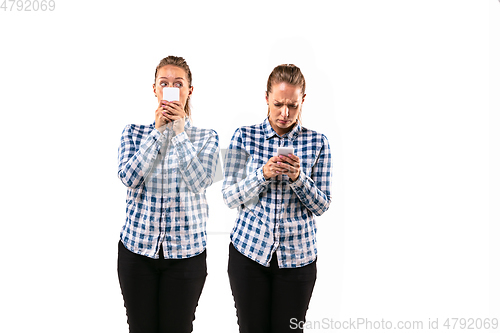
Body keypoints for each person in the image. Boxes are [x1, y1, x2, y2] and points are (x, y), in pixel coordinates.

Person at [222, 64, 332, 333]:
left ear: (302, 100)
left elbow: (322, 205)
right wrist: (262, 174)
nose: (285, 113)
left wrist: (299, 179)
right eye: (278, 103)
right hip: (248, 255)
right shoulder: (244, 136)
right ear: (266, 98)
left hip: (298, 260)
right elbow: (229, 197)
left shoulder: (318, 143)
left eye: (293, 106)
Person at [117, 55, 219, 333]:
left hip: (186, 256)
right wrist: (158, 133)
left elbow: (200, 181)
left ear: (189, 91)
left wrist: (180, 133)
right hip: (137, 252)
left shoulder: (207, 137)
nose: (170, 89)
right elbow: (129, 178)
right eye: (164, 83)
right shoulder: (134, 133)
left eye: (178, 83)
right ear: (155, 89)